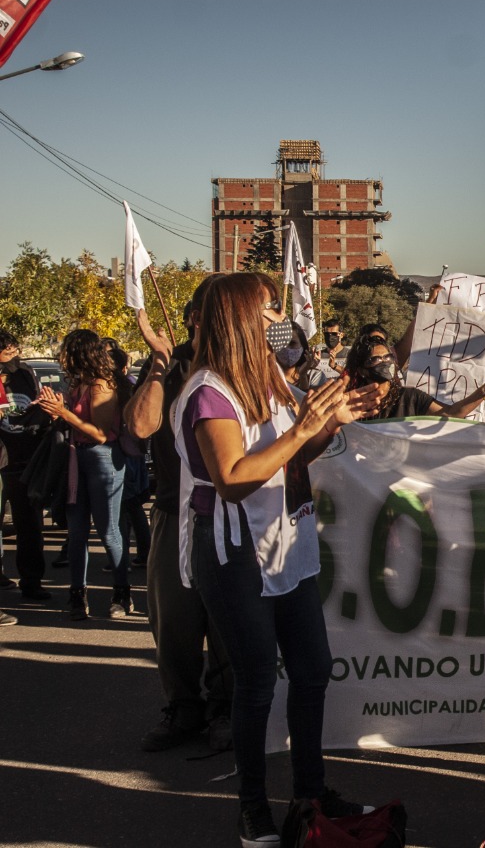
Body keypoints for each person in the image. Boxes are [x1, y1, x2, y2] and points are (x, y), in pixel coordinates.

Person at [173, 273, 377, 846]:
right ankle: (253, 806)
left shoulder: (269, 377)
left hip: (289, 545)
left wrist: (329, 421)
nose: (277, 318)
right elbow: (235, 477)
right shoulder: (208, 392)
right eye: (268, 309)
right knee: (257, 680)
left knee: (312, 670)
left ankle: (311, 794)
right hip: (236, 553)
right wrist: (306, 427)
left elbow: (291, 456)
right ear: (240, 318)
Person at [124, 285, 237, 752]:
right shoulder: (168, 368)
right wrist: (157, 367)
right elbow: (138, 427)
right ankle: (184, 709)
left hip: (232, 514)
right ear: (192, 318)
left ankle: (227, 709)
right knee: (174, 620)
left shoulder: (241, 367)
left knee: (230, 623)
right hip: (175, 512)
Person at [34, 329, 131, 620]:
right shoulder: (79, 384)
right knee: (76, 533)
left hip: (102, 459)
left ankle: (122, 593)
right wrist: (55, 410)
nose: (63, 358)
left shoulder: (101, 385)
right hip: (78, 458)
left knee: (108, 531)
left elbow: (101, 434)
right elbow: (74, 422)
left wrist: (64, 414)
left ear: (81, 354)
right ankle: (78, 595)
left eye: (67, 352)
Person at [343, 333, 485, 421]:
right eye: (376, 359)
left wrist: (483, 391)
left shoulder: (410, 398)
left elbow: (451, 413)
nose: (385, 362)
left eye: (388, 357)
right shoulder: (351, 403)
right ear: (362, 370)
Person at [0, 329, 51, 603]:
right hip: (3, 460)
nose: (14, 357)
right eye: (7, 352)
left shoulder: (25, 373)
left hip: (24, 460)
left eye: (15, 350)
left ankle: (32, 582)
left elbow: (37, 404)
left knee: (29, 526)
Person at [106, 340, 151, 571]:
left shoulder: (121, 389)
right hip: (131, 454)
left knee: (126, 508)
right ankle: (140, 553)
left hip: (124, 455)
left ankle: (134, 555)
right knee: (129, 508)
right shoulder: (128, 387)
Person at [278, 322, 324, 392]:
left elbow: (309, 400)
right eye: (282, 343)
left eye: (292, 343)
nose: (287, 349)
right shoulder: (266, 378)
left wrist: (303, 376)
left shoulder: (314, 376)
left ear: (302, 346)